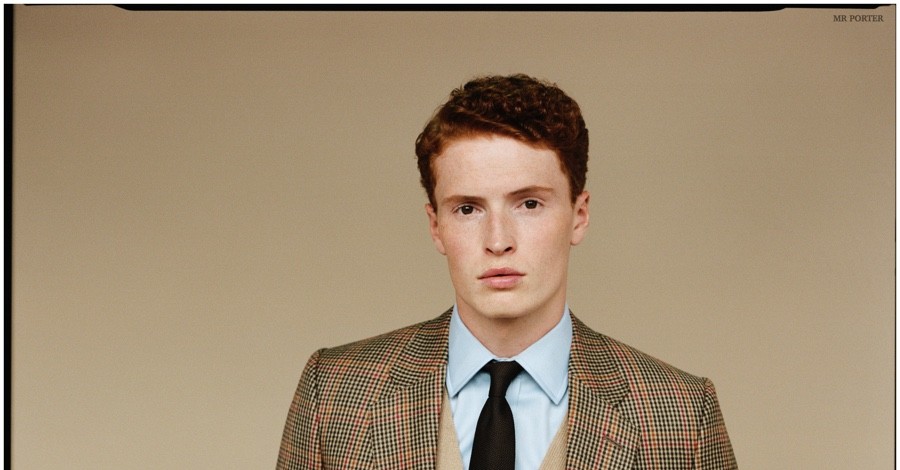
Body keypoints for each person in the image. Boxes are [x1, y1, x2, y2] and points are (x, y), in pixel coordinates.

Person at [276, 74, 737, 469]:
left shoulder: (679, 414)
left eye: (529, 204)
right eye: (468, 208)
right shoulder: (334, 393)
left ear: (579, 215)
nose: (498, 240)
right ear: (436, 227)